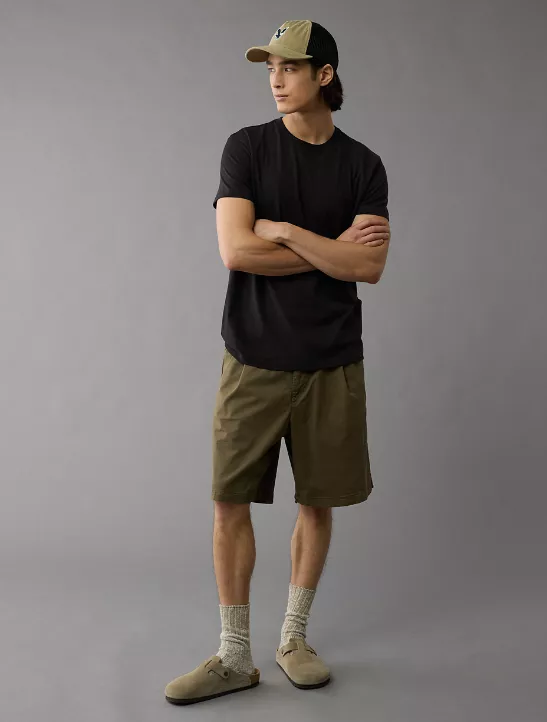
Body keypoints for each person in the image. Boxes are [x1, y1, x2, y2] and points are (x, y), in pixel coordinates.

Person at [164, 19, 391, 705]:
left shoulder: (363, 165)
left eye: (289, 67)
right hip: (253, 357)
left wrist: (287, 230)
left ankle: (293, 639)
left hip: (332, 362)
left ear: (324, 74)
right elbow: (236, 251)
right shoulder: (247, 148)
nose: (275, 78)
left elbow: (370, 266)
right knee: (228, 502)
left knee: (317, 504)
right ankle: (234, 655)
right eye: (270, 67)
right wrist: (331, 249)